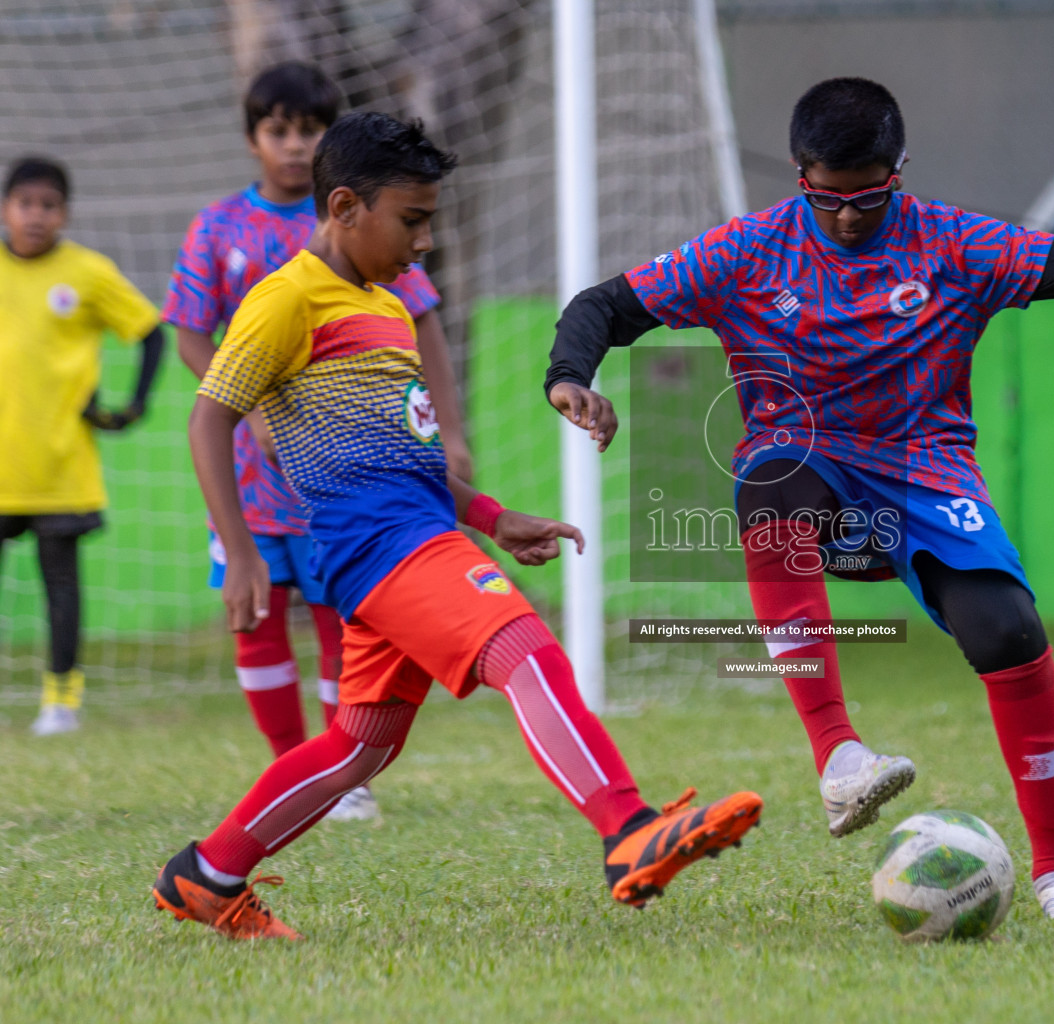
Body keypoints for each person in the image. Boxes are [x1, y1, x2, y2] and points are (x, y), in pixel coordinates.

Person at [543, 77, 1054, 921]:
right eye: (829, 197)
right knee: (771, 477)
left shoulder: (955, 245)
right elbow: (606, 305)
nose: (849, 215)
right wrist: (570, 379)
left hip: (923, 476)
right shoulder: (744, 252)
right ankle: (839, 757)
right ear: (798, 174)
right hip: (809, 480)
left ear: (900, 171)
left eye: (870, 195)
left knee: (1010, 631)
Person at [152, 112, 762, 941]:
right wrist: (247, 547)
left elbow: (406, 455)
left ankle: (206, 874)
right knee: (525, 648)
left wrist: (490, 515)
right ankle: (629, 831)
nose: (426, 240)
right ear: (343, 206)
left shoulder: (386, 308)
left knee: (360, 745)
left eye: (431, 219)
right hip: (382, 547)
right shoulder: (285, 298)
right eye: (412, 219)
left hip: (406, 539)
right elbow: (208, 420)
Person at [162, 62, 473, 821]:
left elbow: (423, 317)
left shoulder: (365, 225)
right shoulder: (220, 228)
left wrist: (451, 431)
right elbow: (188, 334)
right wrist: (256, 408)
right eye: (279, 129)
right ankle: (290, 767)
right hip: (250, 470)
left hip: (341, 475)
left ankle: (346, 777)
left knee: (346, 619)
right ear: (252, 138)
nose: (294, 145)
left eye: (309, 131)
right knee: (258, 619)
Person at [0, 156, 165, 736]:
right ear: (5, 208)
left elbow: (150, 331)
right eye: (26, 203)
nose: (36, 216)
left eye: (48, 205)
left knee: (61, 585)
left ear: (64, 213)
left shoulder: (88, 272)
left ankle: (60, 699)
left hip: (61, 465)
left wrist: (132, 406)